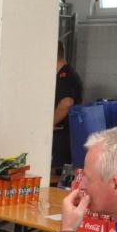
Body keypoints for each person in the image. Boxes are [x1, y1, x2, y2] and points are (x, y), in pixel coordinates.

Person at [52, 40, 83, 168]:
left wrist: (48, 125)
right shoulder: (64, 74)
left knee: (56, 173)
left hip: (63, 137)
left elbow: (66, 103)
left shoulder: (66, 76)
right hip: (65, 136)